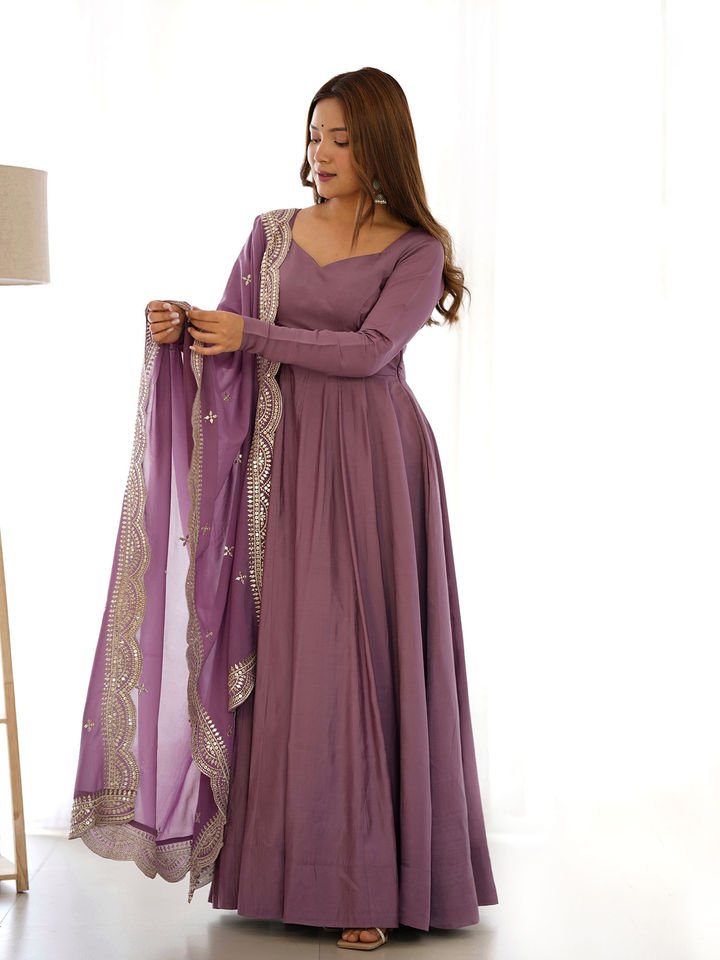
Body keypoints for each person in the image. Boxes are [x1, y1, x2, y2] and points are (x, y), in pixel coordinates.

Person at [70, 67, 497, 953]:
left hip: (375, 468)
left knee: (360, 659)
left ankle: (371, 882)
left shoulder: (416, 249)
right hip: (277, 467)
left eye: (341, 138)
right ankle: (276, 875)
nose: (322, 153)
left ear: (381, 145)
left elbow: (370, 353)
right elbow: (227, 341)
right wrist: (182, 329)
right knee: (293, 659)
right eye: (314, 135)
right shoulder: (270, 235)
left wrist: (251, 334)